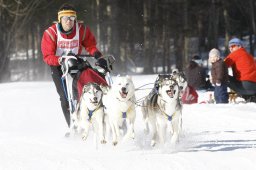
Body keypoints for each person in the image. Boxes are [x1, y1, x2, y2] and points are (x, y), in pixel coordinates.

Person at [41, 3, 108, 128]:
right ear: (60, 19)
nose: (69, 21)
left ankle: (98, 114)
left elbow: (90, 45)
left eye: (72, 18)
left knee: (86, 87)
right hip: (58, 66)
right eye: (66, 18)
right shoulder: (51, 33)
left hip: (75, 63)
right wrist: (60, 60)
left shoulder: (81, 30)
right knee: (65, 98)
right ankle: (72, 126)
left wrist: (98, 56)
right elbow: (47, 56)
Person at [224, 38, 256, 102]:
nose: (231, 48)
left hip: (244, 86)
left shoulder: (236, 53)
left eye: (233, 46)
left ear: (239, 46)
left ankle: (221, 96)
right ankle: (249, 97)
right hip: (254, 87)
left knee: (222, 76)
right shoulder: (249, 56)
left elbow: (222, 66)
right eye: (229, 47)